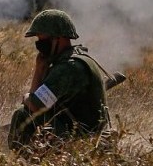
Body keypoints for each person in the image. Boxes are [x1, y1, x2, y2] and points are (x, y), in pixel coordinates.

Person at [7, 9, 111, 152]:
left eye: (43, 40)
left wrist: (27, 98)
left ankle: (23, 163)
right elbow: (39, 101)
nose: (39, 44)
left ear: (59, 39)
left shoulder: (69, 68)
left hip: (82, 137)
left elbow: (36, 104)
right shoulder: (74, 58)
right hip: (83, 131)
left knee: (22, 114)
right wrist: (40, 68)